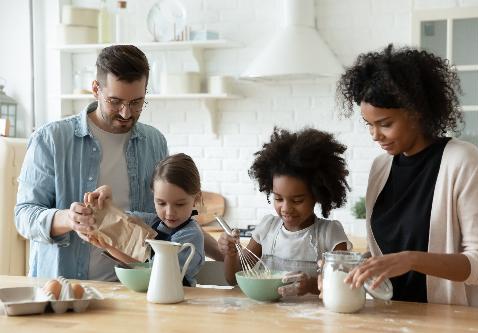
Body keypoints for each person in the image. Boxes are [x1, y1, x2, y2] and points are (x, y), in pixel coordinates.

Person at [15, 45, 221, 281]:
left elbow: (172, 222)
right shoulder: (51, 139)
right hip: (67, 288)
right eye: (115, 101)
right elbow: (24, 216)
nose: (126, 113)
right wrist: (68, 219)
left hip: (137, 291)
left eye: (137, 102)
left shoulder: (154, 142)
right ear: (96, 89)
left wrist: (226, 253)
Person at [333, 44, 478, 308]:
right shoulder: (381, 168)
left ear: (417, 112)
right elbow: (387, 253)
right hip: (389, 318)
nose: (375, 135)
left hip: (450, 324)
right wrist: (354, 265)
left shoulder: (466, 163)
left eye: (385, 124)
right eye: (370, 125)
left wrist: (412, 260)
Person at [218, 127, 351, 296]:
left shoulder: (329, 234)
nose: (286, 208)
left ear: (317, 195)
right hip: (270, 318)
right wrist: (230, 254)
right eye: (279, 199)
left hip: (313, 320)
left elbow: (343, 284)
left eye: (297, 200)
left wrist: (310, 285)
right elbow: (233, 279)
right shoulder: (267, 228)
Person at [85, 153, 205, 286]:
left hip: (179, 300)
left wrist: (110, 247)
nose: (170, 213)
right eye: (161, 203)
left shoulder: (191, 235)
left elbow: (156, 274)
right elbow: (122, 219)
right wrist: (105, 204)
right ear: (153, 196)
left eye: (180, 204)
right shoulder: (151, 221)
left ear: (196, 199)